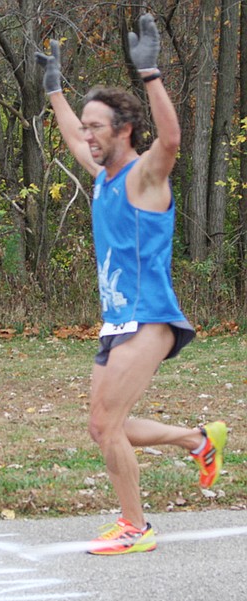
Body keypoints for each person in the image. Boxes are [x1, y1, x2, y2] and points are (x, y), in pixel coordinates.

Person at [36, 13, 227, 555]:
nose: (87, 134)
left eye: (98, 126)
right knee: (103, 427)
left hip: (149, 316)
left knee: (106, 422)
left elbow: (171, 138)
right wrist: (55, 90)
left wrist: (151, 73)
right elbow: (73, 132)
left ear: (123, 130)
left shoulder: (145, 175)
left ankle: (135, 527)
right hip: (119, 318)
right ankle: (198, 440)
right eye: (88, 127)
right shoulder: (102, 176)